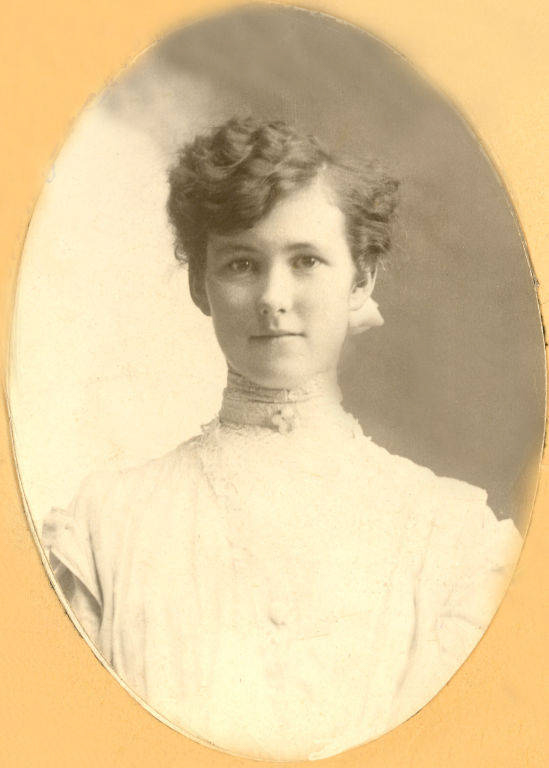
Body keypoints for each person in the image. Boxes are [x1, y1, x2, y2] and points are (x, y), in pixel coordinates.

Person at [42, 116, 522, 761]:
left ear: (361, 281)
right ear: (200, 286)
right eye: (242, 262)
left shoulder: (454, 536)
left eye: (306, 261)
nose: (273, 297)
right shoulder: (107, 528)